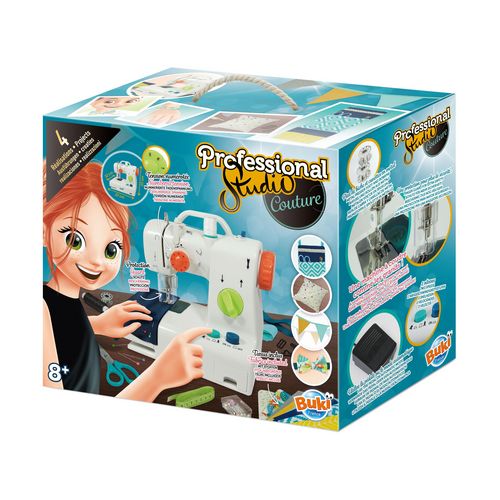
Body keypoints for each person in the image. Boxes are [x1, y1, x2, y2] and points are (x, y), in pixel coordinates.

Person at [43, 161, 209, 401]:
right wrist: (157, 378)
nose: (96, 261)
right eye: (75, 240)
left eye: (111, 249)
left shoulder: (54, 301)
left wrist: (96, 324)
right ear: (42, 231)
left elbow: (59, 329)